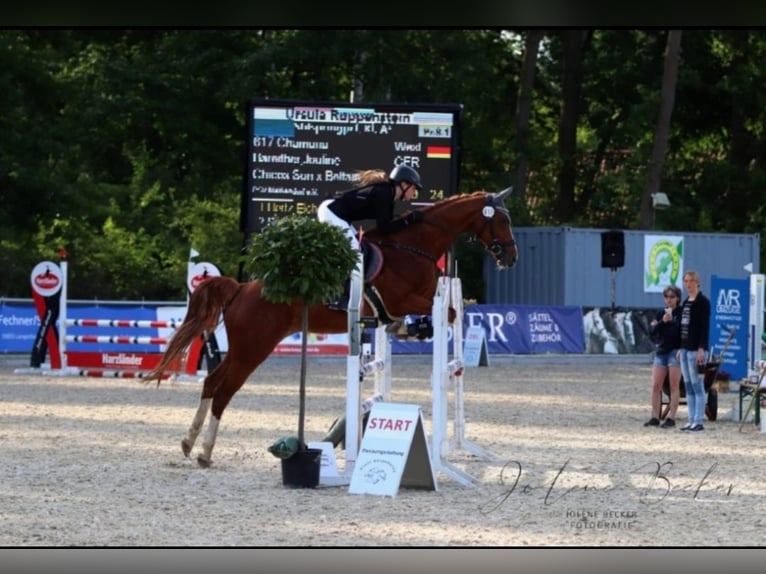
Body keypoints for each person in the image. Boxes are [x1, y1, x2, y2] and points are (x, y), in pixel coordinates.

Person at [317, 165, 424, 310]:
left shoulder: (388, 194)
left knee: (359, 248)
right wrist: (409, 220)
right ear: (404, 184)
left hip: (339, 214)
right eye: (414, 188)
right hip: (331, 212)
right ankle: (337, 296)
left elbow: (388, 225)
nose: (414, 192)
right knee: (355, 252)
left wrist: (407, 221)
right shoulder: (384, 193)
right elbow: (384, 228)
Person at [644, 285, 682, 429]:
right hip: (661, 351)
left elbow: (678, 332)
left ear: (677, 298)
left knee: (674, 386)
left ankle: (671, 417)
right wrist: (662, 322)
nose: (669, 299)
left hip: (675, 351)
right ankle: (655, 416)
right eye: (666, 297)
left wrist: (670, 323)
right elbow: (653, 333)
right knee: (656, 385)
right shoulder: (661, 313)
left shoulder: (681, 312)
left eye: (672, 296)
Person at [678, 270, 711, 432]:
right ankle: (691, 419)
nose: (688, 284)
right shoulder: (686, 302)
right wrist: (680, 347)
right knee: (688, 385)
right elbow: (683, 327)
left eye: (691, 281)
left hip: (695, 349)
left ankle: (699, 420)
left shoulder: (703, 302)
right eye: (685, 281)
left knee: (698, 385)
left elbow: (704, 328)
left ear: (697, 282)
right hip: (684, 348)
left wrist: (701, 348)